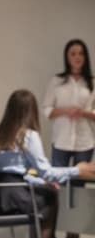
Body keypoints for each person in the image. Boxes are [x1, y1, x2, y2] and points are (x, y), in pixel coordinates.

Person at [0, 90, 95, 238]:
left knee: (44, 190)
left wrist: (41, 182)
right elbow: (46, 172)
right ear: (31, 111)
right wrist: (78, 169)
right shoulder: (28, 136)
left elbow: (12, 174)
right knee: (50, 196)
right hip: (14, 198)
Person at [43, 39, 95, 173]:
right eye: (73, 54)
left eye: (81, 54)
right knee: (58, 181)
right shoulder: (57, 81)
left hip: (85, 141)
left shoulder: (92, 82)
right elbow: (47, 109)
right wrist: (66, 111)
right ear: (67, 57)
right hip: (61, 139)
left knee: (79, 185)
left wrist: (83, 113)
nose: (77, 57)